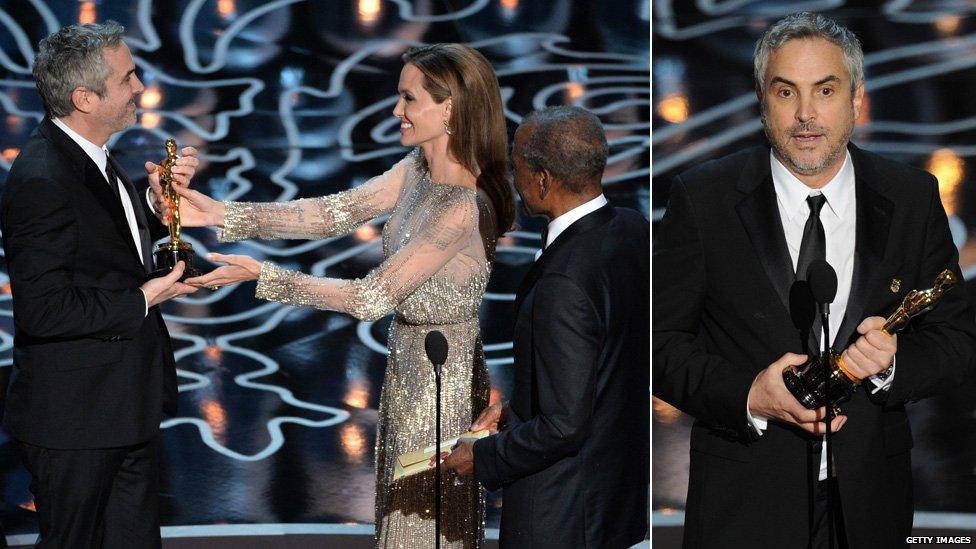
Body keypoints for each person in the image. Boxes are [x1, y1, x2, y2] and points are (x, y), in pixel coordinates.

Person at [153, 43, 514, 547]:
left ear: (448, 108)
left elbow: (371, 297)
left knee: (424, 529)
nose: (396, 111)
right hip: (408, 370)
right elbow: (334, 212)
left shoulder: (460, 206)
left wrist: (262, 276)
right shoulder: (417, 170)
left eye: (408, 99)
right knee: (399, 521)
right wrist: (219, 214)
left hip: (441, 384)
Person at [653, 12, 976, 549]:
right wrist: (749, 395)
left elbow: (956, 340)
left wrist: (893, 365)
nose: (806, 115)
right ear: (762, 99)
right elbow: (656, 345)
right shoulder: (703, 198)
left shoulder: (912, 196)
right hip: (744, 503)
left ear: (855, 97)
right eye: (786, 92)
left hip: (873, 505)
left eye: (825, 90)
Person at [0, 21, 200, 547]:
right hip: (77, 422)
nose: (139, 87)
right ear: (85, 97)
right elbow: (44, 309)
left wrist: (159, 213)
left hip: (122, 407)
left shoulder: (89, 157)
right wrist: (144, 297)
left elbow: (102, 250)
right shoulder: (43, 177)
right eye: (128, 77)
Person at [442, 106, 650, 548]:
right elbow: (602, 367)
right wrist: (517, 409)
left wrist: (484, 455)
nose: (513, 181)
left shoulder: (563, 282)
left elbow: (564, 425)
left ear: (543, 179)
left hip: (562, 518)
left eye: (516, 166)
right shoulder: (633, 230)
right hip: (614, 505)